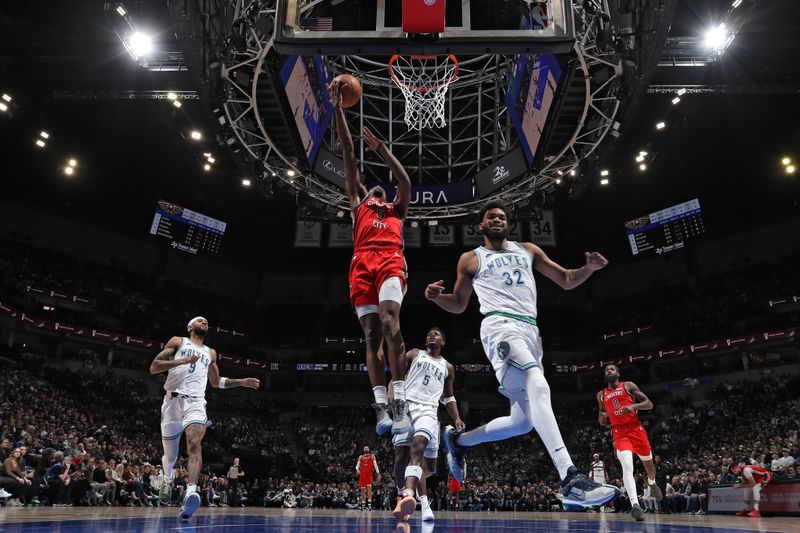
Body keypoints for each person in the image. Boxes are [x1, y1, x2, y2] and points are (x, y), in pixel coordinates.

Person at [425, 200, 619, 510]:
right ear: (482, 226)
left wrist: (589, 269)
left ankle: (458, 441)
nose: (498, 219)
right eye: (492, 217)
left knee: (523, 422)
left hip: (531, 331)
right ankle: (570, 477)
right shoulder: (472, 259)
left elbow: (568, 280)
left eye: (502, 216)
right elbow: (459, 304)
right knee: (538, 383)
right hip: (500, 327)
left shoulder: (528, 250)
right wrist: (436, 299)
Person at [330, 78, 412, 436]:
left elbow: (405, 181)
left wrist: (381, 149)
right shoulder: (357, 202)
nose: (377, 186)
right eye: (371, 185)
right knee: (370, 335)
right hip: (362, 262)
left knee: (391, 323)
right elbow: (348, 150)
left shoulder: (396, 208)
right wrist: (337, 108)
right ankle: (380, 404)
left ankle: (402, 401)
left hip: (390, 259)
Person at [149, 316, 260, 519]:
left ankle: (191, 492)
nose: (204, 322)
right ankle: (167, 477)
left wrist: (241, 381)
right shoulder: (178, 341)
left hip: (196, 404)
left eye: (207, 322)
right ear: (190, 326)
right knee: (171, 457)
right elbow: (154, 367)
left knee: (194, 444)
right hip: (172, 403)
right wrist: (182, 360)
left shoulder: (210, 353)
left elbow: (216, 382)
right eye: (200, 321)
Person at [392, 327, 464, 522]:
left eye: (437, 334)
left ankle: (410, 494)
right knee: (401, 458)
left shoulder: (447, 367)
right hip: (406, 407)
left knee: (428, 466)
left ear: (443, 342)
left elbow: (448, 397)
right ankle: (409, 496)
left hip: (428, 410)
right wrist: (392, 399)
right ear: (426, 341)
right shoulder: (415, 353)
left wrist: (456, 417)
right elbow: (396, 376)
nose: (432, 334)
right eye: (429, 333)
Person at [598, 363, 663, 521]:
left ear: (618, 373)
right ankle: (636, 505)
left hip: (636, 430)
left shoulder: (628, 385)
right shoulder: (601, 394)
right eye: (607, 370)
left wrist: (633, 406)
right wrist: (603, 419)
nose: (609, 371)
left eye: (612, 369)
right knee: (627, 465)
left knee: (650, 467)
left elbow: (649, 404)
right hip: (619, 433)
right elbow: (601, 415)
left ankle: (652, 482)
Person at [356, 446, 381, 510]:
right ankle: (363, 504)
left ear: (369, 449)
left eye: (367, 448)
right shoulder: (360, 456)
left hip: (369, 474)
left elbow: (375, 465)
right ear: (363, 450)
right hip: (362, 475)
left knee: (369, 488)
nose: (366, 448)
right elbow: (357, 465)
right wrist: (357, 469)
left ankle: (369, 503)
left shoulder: (372, 456)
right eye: (365, 448)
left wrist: (378, 473)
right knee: (363, 490)